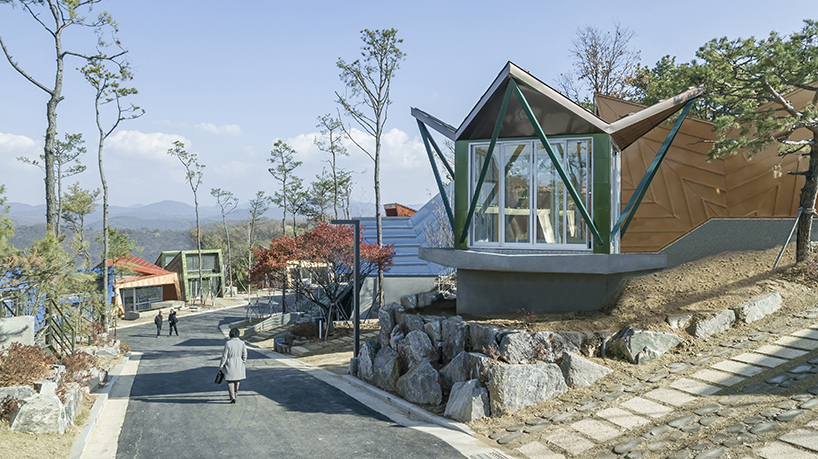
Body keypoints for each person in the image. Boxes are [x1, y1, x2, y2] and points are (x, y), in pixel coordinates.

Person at [219, 328, 247, 404]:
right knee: (237, 380)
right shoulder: (242, 343)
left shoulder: (228, 343)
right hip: (239, 363)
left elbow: (224, 356)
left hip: (230, 363)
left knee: (230, 381)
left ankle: (232, 397)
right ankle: (235, 393)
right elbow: (245, 355)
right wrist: (243, 362)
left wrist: (221, 365)